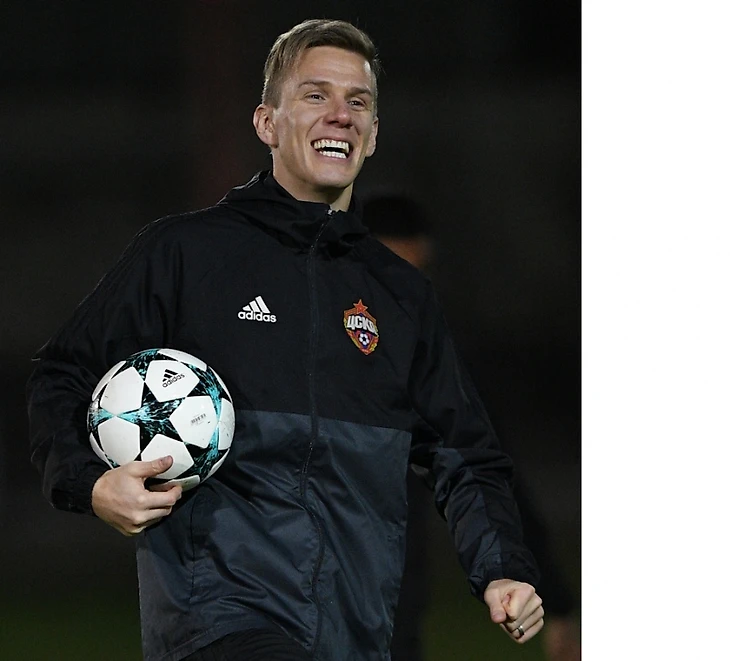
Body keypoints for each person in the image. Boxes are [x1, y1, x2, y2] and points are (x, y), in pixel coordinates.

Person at [27, 19, 544, 661]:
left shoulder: (401, 296)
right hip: (218, 623)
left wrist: (502, 569)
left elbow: (466, 454)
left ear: (373, 134)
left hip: (358, 632)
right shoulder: (186, 255)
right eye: (315, 95)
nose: (340, 114)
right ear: (267, 123)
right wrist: (92, 484)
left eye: (358, 102)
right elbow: (63, 375)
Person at [362, 195, 581, 661]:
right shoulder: (301, 345)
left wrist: (554, 598)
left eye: (413, 271)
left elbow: (489, 469)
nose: (399, 289)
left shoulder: (432, 356)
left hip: (392, 595)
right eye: (387, 269)